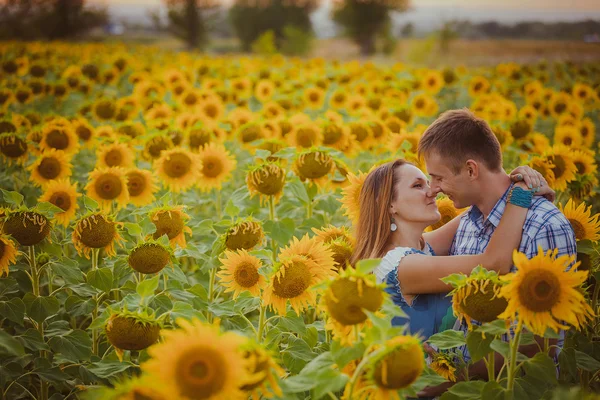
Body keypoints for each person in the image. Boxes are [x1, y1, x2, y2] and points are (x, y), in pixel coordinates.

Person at [416, 108, 576, 395]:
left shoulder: (544, 226)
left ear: (471, 170)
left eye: (438, 178)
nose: (434, 190)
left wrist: (455, 378)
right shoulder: (465, 223)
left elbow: (544, 340)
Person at [349, 158, 550, 340]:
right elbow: (494, 263)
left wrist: (511, 180)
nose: (432, 191)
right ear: (390, 204)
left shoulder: (419, 246)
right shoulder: (401, 266)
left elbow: (486, 203)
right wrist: (522, 194)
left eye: (428, 183)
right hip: (422, 379)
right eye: (418, 185)